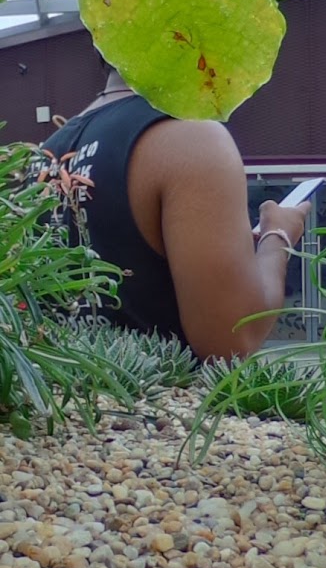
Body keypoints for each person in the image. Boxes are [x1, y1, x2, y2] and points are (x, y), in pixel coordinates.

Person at [38, 69, 310, 362]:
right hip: (160, 403)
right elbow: (233, 340)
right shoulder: (190, 137)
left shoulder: (43, 154)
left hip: (59, 399)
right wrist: (277, 237)